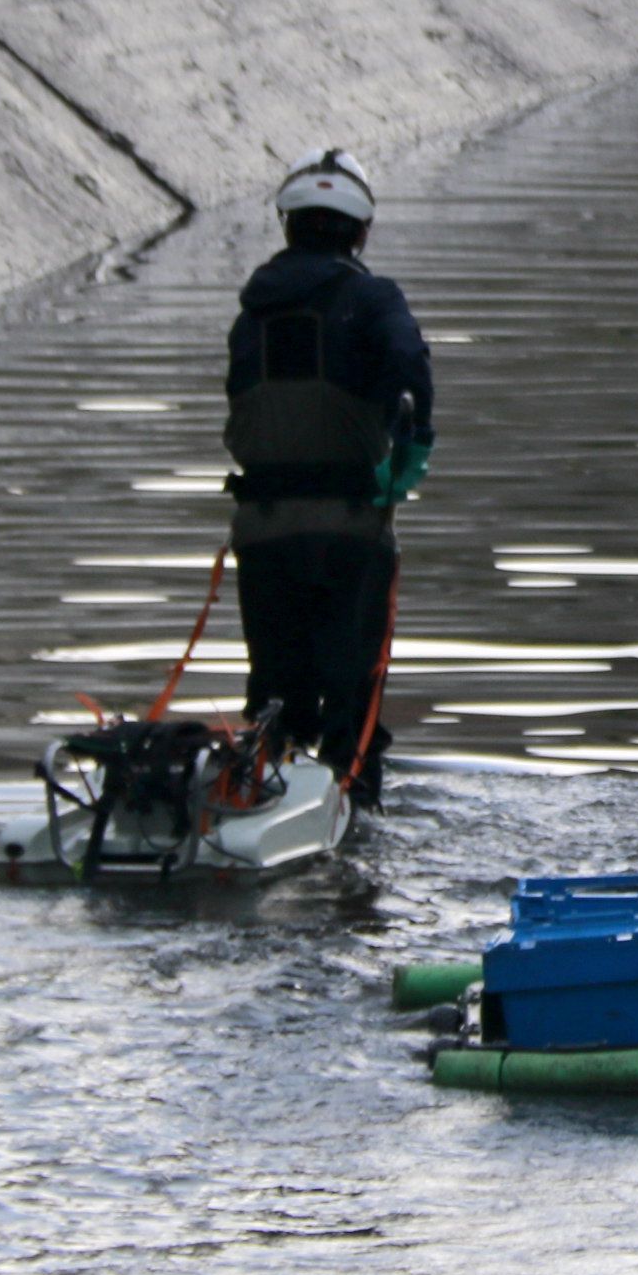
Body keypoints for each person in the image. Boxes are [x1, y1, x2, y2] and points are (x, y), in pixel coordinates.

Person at [224, 149, 433, 806]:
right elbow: (410, 364)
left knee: (274, 691)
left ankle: (258, 805)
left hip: (262, 530)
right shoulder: (372, 297)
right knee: (352, 703)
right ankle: (353, 825)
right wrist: (412, 444)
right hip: (351, 530)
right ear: (361, 231)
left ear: (288, 226)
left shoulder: (251, 313)